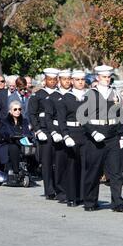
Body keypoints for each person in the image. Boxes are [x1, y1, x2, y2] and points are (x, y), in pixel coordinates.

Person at [82, 64, 123, 212]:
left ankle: (117, 203)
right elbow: (82, 118)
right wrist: (93, 132)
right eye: (104, 77)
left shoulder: (115, 94)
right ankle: (90, 202)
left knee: (116, 172)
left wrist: (122, 135)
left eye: (109, 77)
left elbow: (122, 115)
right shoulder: (90, 94)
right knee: (94, 171)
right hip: (95, 136)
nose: (107, 79)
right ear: (98, 77)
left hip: (112, 136)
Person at [57, 70, 88, 206]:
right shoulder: (65, 98)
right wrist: (66, 135)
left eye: (82, 80)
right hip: (72, 133)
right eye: (78, 80)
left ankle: (83, 195)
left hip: (86, 133)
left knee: (85, 166)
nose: (80, 82)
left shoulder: (89, 97)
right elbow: (61, 120)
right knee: (72, 166)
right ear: (72, 81)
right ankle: (72, 197)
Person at [28, 68, 59, 200]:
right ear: (45, 80)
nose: (52, 82)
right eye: (49, 80)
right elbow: (32, 114)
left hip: (57, 130)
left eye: (54, 80)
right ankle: (49, 190)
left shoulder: (60, 94)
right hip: (44, 130)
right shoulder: (38, 95)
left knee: (58, 161)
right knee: (47, 162)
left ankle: (59, 188)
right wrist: (38, 130)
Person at [45, 69, 72, 203]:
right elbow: (48, 118)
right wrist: (54, 132)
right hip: (58, 133)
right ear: (59, 81)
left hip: (73, 131)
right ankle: (61, 192)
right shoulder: (53, 97)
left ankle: (73, 190)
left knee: (72, 163)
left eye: (69, 79)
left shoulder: (75, 95)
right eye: (64, 79)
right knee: (60, 163)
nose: (67, 81)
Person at [0, 100, 33, 181]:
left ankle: (28, 170)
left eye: (19, 109)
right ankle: (16, 171)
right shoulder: (4, 121)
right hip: (7, 143)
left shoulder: (24, 121)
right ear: (10, 111)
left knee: (31, 148)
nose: (18, 111)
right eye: (15, 109)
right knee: (14, 147)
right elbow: (4, 132)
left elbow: (27, 132)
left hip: (21, 143)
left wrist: (27, 135)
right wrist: (11, 136)